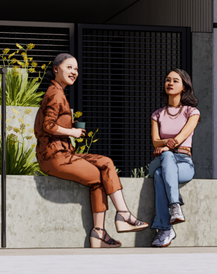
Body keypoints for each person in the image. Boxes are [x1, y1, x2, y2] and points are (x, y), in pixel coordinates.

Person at [34, 52, 150, 247]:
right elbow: (48, 125)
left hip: (63, 153)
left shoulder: (59, 92)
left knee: (106, 162)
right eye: (69, 67)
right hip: (53, 156)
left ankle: (105, 228)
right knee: (98, 177)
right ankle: (113, 223)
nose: (74, 72)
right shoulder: (54, 94)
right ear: (55, 69)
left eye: (76, 69)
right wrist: (72, 132)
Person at [149, 68, 200, 249]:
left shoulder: (191, 112)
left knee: (159, 176)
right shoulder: (157, 114)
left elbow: (182, 136)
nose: (170, 83)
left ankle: (165, 229)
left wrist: (166, 146)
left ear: (185, 87)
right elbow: (155, 141)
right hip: (162, 159)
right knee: (166, 157)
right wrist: (164, 145)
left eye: (175, 81)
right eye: (167, 80)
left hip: (184, 163)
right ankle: (175, 206)